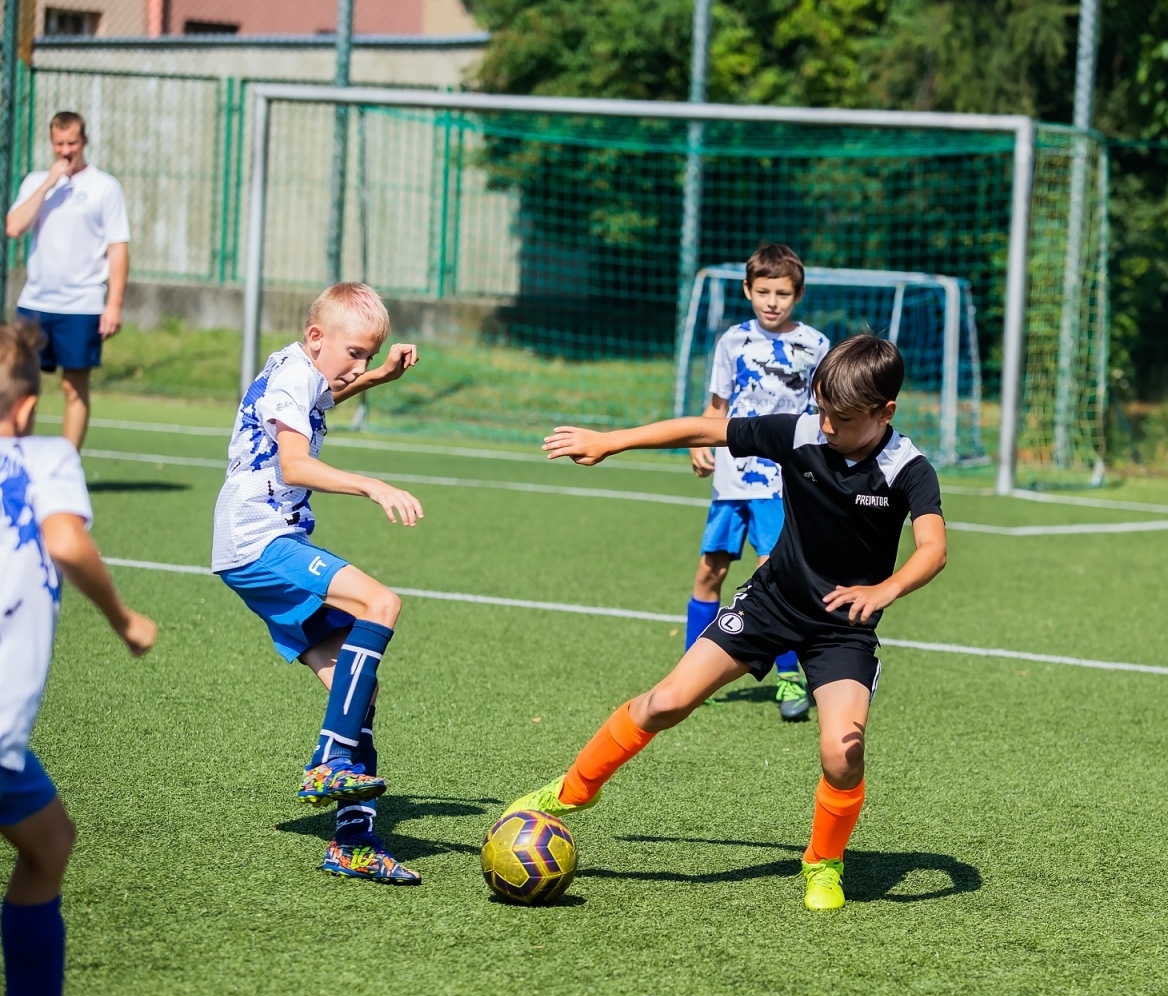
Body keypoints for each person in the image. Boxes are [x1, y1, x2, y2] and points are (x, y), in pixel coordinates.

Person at [521, 335, 947, 911]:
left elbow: (932, 548)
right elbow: (704, 430)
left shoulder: (908, 469)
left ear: (885, 412)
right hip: (772, 602)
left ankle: (823, 862)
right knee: (666, 701)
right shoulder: (799, 431)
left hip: (843, 626)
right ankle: (573, 790)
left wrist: (887, 588)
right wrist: (612, 441)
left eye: (841, 419)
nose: (824, 426)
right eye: (820, 409)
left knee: (842, 755)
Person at [212, 283, 425, 884]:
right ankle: (329, 760)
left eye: (367, 354)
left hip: (264, 542)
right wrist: (372, 484)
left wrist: (378, 376)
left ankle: (353, 842)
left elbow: (325, 393)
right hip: (258, 537)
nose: (355, 366)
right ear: (316, 337)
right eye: (354, 352)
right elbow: (294, 465)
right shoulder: (290, 378)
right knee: (380, 602)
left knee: (362, 693)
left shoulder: (301, 369)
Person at [0, 322, 156, 996]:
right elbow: (64, 542)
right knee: (48, 847)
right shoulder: (42, 454)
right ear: (28, 408)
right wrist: (124, 619)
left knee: (50, 839)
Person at [686, 243, 830, 722]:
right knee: (710, 571)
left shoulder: (815, 345)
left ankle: (790, 675)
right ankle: (693, 669)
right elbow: (716, 408)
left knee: (776, 578)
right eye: (763, 291)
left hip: (781, 482)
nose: (772, 301)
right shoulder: (732, 342)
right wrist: (696, 442)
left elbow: (826, 414)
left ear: (798, 295)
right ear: (748, 290)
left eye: (782, 293)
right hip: (732, 479)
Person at [4, 112, 130, 451]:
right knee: (16, 383)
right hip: (34, 303)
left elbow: (118, 248)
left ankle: (67, 466)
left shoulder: (105, 187)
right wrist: (48, 184)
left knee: (73, 388)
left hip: (82, 304)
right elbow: (14, 227)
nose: (66, 150)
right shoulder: (35, 182)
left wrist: (113, 304)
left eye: (72, 143)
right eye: (59, 143)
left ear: (84, 142)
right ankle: (14, 458)